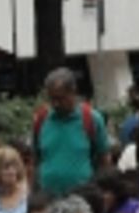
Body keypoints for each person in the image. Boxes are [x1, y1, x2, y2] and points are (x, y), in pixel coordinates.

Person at [33, 68, 109, 198]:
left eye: (60, 98)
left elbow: (104, 159)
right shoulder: (41, 119)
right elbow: (36, 159)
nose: (55, 104)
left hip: (83, 198)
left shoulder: (91, 119)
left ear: (73, 92)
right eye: (51, 99)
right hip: (48, 199)